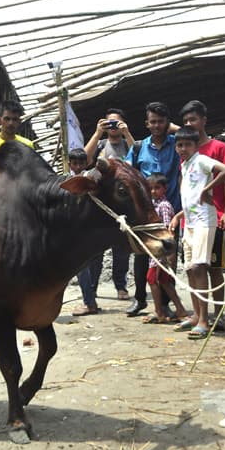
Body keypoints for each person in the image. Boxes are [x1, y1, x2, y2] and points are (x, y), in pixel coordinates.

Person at [167, 126, 225, 338]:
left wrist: (208, 189)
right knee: (189, 269)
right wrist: (179, 215)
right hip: (190, 222)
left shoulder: (202, 160)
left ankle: (204, 320)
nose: (182, 148)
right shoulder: (184, 165)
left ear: (196, 146)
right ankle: (196, 315)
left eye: (187, 145)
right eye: (179, 145)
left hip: (205, 221)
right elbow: (189, 197)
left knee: (199, 267)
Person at [180, 100, 225, 328]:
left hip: (215, 214)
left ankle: (218, 314)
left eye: (193, 119)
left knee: (213, 267)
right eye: (185, 121)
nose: (189, 123)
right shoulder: (185, 155)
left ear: (204, 120)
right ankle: (197, 314)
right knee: (194, 267)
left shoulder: (217, 148)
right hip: (192, 218)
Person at [125, 102, 181, 317]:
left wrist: (175, 129)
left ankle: (165, 303)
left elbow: (198, 136)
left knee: (169, 258)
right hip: (146, 216)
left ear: (168, 122)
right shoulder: (138, 148)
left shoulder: (178, 144)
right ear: (147, 123)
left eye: (161, 121)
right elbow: (127, 172)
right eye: (153, 121)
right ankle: (140, 300)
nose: (157, 125)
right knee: (141, 258)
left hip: (171, 212)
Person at [84, 108, 135, 300]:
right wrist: (97, 133)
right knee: (96, 247)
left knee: (121, 247)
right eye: (109, 123)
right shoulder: (100, 144)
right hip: (101, 201)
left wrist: (127, 134)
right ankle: (92, 288)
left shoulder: (128, 143)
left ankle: (120, 285)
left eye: (117, 123)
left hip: (122, 201)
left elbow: (138, 158)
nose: (113, 127)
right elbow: (86, 159)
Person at [142, 174, 188, 324]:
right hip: (154, 250)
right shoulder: (153, 205)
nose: (154, 191)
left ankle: (159, 312)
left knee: (152, 278)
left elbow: (168, 231)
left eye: (157, 188)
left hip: (160, 251)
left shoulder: (164, 206)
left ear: (165, 188)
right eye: (151, 189)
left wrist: (168, 254)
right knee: (163, 280)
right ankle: (179, 309)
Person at [68, 149, 105, 316]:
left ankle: (90, 301)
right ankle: (90, 299)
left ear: (86, 163)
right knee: (84, 266)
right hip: (79, 229)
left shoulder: (91, 178)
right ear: (70, 164)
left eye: (80, 163)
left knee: (89, 265)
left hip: (91, 228)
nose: (77, 166)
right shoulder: (66, 180)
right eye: (74, 163)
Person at [0, 99, 34, 177]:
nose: (11, 123)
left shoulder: (27, 145)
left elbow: (31, 172)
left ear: (19, 122)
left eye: (15, 119)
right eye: (7, 119)